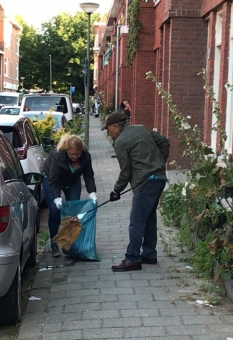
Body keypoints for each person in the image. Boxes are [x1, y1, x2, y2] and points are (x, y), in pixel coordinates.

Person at [103, 111, 170, 272]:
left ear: (115, 126)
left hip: (144, 183)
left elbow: (125, 172)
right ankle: (149, 254)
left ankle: (132, 258)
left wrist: (116, 191)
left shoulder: (121, 141)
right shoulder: (141, 129)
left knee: (136, 222)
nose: (108, 132)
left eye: (108, 129)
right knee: (149, 218)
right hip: (159, 179)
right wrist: (159, 162)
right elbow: (165, 142)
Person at [42, 134, 97, 257]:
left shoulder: (86, 157)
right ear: (67, 150)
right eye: (72, 154)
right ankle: (54, 243)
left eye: (77, 154)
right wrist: (57, 197)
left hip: (72, 180)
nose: (74, 156)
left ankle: (68, 242)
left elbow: (88, 176)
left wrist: (92, 193)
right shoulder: (58, 155)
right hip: (51, 179)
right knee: (54, 210)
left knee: (73, 211)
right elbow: (53, 180)